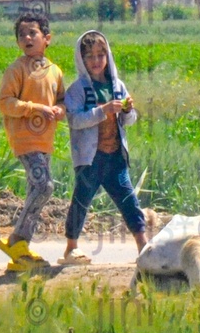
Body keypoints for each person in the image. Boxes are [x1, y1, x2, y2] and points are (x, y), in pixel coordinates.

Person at [61, 30, 147, 265]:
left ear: (108, 56)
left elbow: (129, 120)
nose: (96, 61)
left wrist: (128, 111)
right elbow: (75, 120)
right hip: (90, 158)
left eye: (101, 55)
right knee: (81, 200)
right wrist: (103, 111)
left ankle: (143, 245)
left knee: (129, 200)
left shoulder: (117, 85)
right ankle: (71, 248)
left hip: (115, 156)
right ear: (81, 60)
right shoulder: (77, 90)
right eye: (89, 56)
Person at [0, 12, 65, 271]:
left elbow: (61, 100)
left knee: (36, 190)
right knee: (44, 186)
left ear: (47, 38)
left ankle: (19, 255)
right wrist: (35, 108)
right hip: (25, 140)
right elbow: (5, 103)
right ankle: (17, 239)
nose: (26, 38)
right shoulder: (17, 69)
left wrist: (59, 109)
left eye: (32, 33)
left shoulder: (56, 71)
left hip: (45, 141)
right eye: (21, 34)